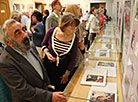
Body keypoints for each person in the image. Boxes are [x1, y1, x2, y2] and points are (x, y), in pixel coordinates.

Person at [0, 19, 67, 102]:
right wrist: (49, 96)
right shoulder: (5, 62)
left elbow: (42, 70)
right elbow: (23, 90)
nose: (25, 35)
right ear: (8, 42)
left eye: (23, 29)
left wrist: (48, 86)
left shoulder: (30, 45)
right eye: (18, 33)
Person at [41, 13, 80, 91]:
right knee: (48, 88)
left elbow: (73, 57)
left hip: (63, 68)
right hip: (49, 65)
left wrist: (67, 73)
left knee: (61, 89)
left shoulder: (74, 38)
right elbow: (43, 45)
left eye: (75, 28)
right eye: (72, 28)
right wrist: (47, 53)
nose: (74, 30)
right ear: (64, 26)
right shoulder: (51, 32)